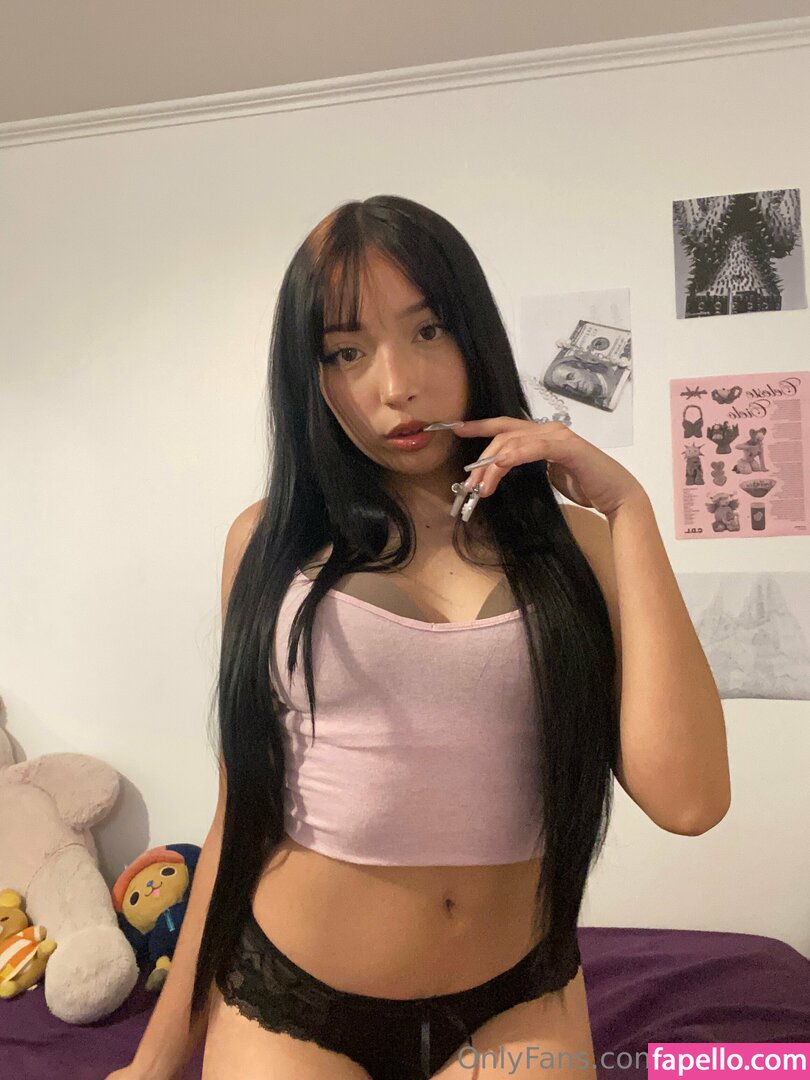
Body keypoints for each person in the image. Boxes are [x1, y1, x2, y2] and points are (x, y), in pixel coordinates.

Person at [110, 195, 730, 1080]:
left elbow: (691, 802)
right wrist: (155, 1057)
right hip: (293, 1003)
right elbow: (241, 806)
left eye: (429, 330)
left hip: (518, 1001)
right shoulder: (267, 545)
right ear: (310, 376)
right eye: (346, 351)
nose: (396, 384)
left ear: (475, 337)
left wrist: (629, 509)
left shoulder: (580, 548)